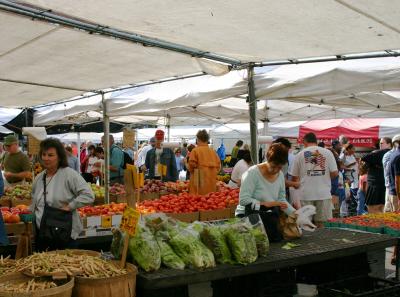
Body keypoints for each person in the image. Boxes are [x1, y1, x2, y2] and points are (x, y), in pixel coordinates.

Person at [30, 138, 94, 251]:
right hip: (43, 236)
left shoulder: (69, 175)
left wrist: (70, 206)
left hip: (64, 235)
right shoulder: (39, 178)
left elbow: (88, 195)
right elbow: (34, 201)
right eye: (44, 154)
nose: (46, 158)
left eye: (50, 155)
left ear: (59, 157)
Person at [290, 132, 338, 227]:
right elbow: (335, 173)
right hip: (323, 194)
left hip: (305, 194)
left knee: (306, 225)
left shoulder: (299, 155)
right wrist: (324, 177)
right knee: (323, 225)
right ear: (316, 141)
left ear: (304, 141)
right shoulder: (328, 153)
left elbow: (294, 177)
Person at [236, 143, 295, 217]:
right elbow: (243, 200)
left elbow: (281, 200)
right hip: (252, 218)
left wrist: (295, 214)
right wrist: (264, 203)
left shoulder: (280, 176)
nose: (276, 170)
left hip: (270, 217)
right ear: (267, 159)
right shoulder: (252, 173)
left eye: (279, 167)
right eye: (273, 166)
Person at [361, 137, 392, 213]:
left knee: (374, 209)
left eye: (382, 143)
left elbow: (364, 158)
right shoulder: (394, 153)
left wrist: (373, 153)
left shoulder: (382, 153)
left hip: (377, 186)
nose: (380, 145)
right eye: (379, 143)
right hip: (386, 185)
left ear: (389, 144)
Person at [189, 130, 221, 195]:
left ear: (198, 139)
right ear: (207, 140)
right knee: (209, 199)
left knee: (198, 199)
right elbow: (218, 167)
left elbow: (192, 165)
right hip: (211, 180)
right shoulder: (213, 152)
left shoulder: (195, 150)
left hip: (199, 177)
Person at [382, 137, 395, 212]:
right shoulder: (387, 155)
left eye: (382, 143)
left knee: (389, 208)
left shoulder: (389, 154)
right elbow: (387, 171)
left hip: (391, 185)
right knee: (389, 208)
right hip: (391, 185)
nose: (380, 145)